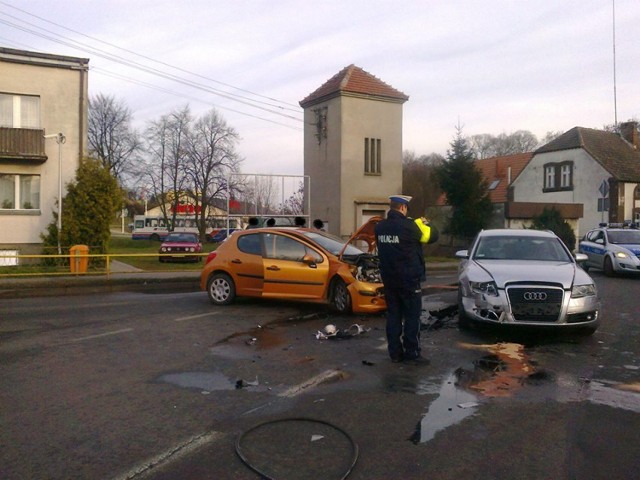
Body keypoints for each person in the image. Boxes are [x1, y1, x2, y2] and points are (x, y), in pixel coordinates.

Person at [375, 194, 439, 365]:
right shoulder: (409, 227)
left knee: (393, 316)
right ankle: (412, 353)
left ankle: (395, 353)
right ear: (403, 207)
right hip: (409, 280)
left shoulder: (380, 227)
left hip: (389, 279)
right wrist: (426, 223)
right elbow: (432, 237)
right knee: (412, 317)